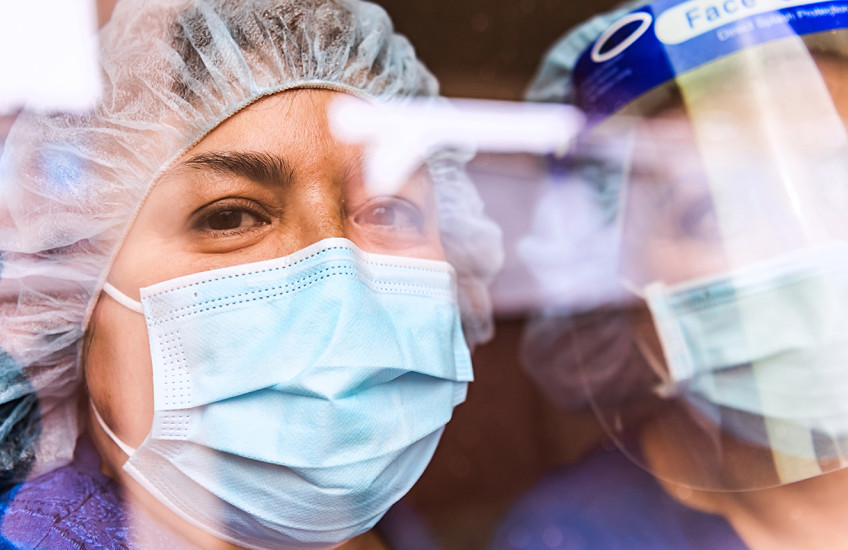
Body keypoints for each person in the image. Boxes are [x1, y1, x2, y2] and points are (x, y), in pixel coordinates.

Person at [0, 0, 502, 548]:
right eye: (230, 216)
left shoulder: (395, 534)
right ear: (78, 299)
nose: (340, 289)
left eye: (386, 211)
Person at [491, 1, 848, 549]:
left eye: (839, 184)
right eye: (715, 213)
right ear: (622, 291)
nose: (810, 244)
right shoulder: (578, 538)